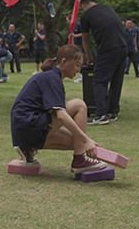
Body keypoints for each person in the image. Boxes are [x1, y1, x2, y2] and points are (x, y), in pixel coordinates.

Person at [10, 44, 109, 175]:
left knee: (75, 141)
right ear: (64, 62)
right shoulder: (52, 78)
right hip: (28, 125)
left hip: (22, 132)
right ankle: (79, 160)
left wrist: (83, 139)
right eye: (77, 65)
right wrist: (86, 140)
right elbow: (61, 115)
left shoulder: (51, 77)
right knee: (79, 105)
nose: (78, 70)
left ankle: (27, 148)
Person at [79, 0, 128, 124]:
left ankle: (100, 114)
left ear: (83, 6)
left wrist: (89, 56)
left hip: (107, 49)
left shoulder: (86, 16)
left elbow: (85, 40)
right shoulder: (108, 8)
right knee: (116, 81)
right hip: (123, 47)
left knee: (99, 81)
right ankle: (112, 111)